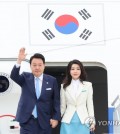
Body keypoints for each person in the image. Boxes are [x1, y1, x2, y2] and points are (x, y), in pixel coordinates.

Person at [10, 48, 61, 134]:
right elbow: (14, 76)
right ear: (30, 66)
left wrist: (56, 118)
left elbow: (56, 101)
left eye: (40, 65)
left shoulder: (52, 80)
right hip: (27, 121)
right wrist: (19, 61)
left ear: (44, 66)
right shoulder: (25, 77)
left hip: (45, 121)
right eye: (34, 65)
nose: (37, 67)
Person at [60, 59, 95, 134]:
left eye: (78, 69)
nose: (75, 71)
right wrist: (56, 118)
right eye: (72, 69)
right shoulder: (64, 86)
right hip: (67, 121)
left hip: (83, 120)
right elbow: (62, 106)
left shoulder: (88, 85)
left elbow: (90, 105)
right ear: (69, 71)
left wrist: (92, 121)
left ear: (81, 70)